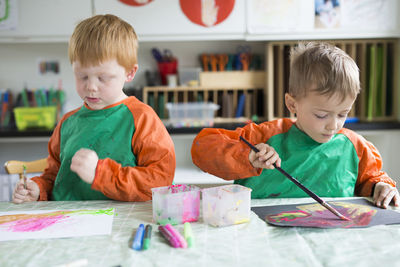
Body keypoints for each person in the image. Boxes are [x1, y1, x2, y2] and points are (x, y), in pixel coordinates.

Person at [191, 42, 399, 209]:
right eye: (321, 115)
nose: (333, 126)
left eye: (343, 114)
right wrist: (246, 156)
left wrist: (380, 186)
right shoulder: (263, 136)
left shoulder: (355, 147)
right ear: (292, 104)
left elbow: (370, 179)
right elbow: (203, 147)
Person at [13, 14, 176, 203]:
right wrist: (38, 189)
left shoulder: (142, 118)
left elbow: (160, 181)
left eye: (103, 77)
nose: (91, 86)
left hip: (117, 223)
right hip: (66, 220)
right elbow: (54, 177)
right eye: (82, 76)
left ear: (129, 73)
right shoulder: (68, 122)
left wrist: (102, 174)